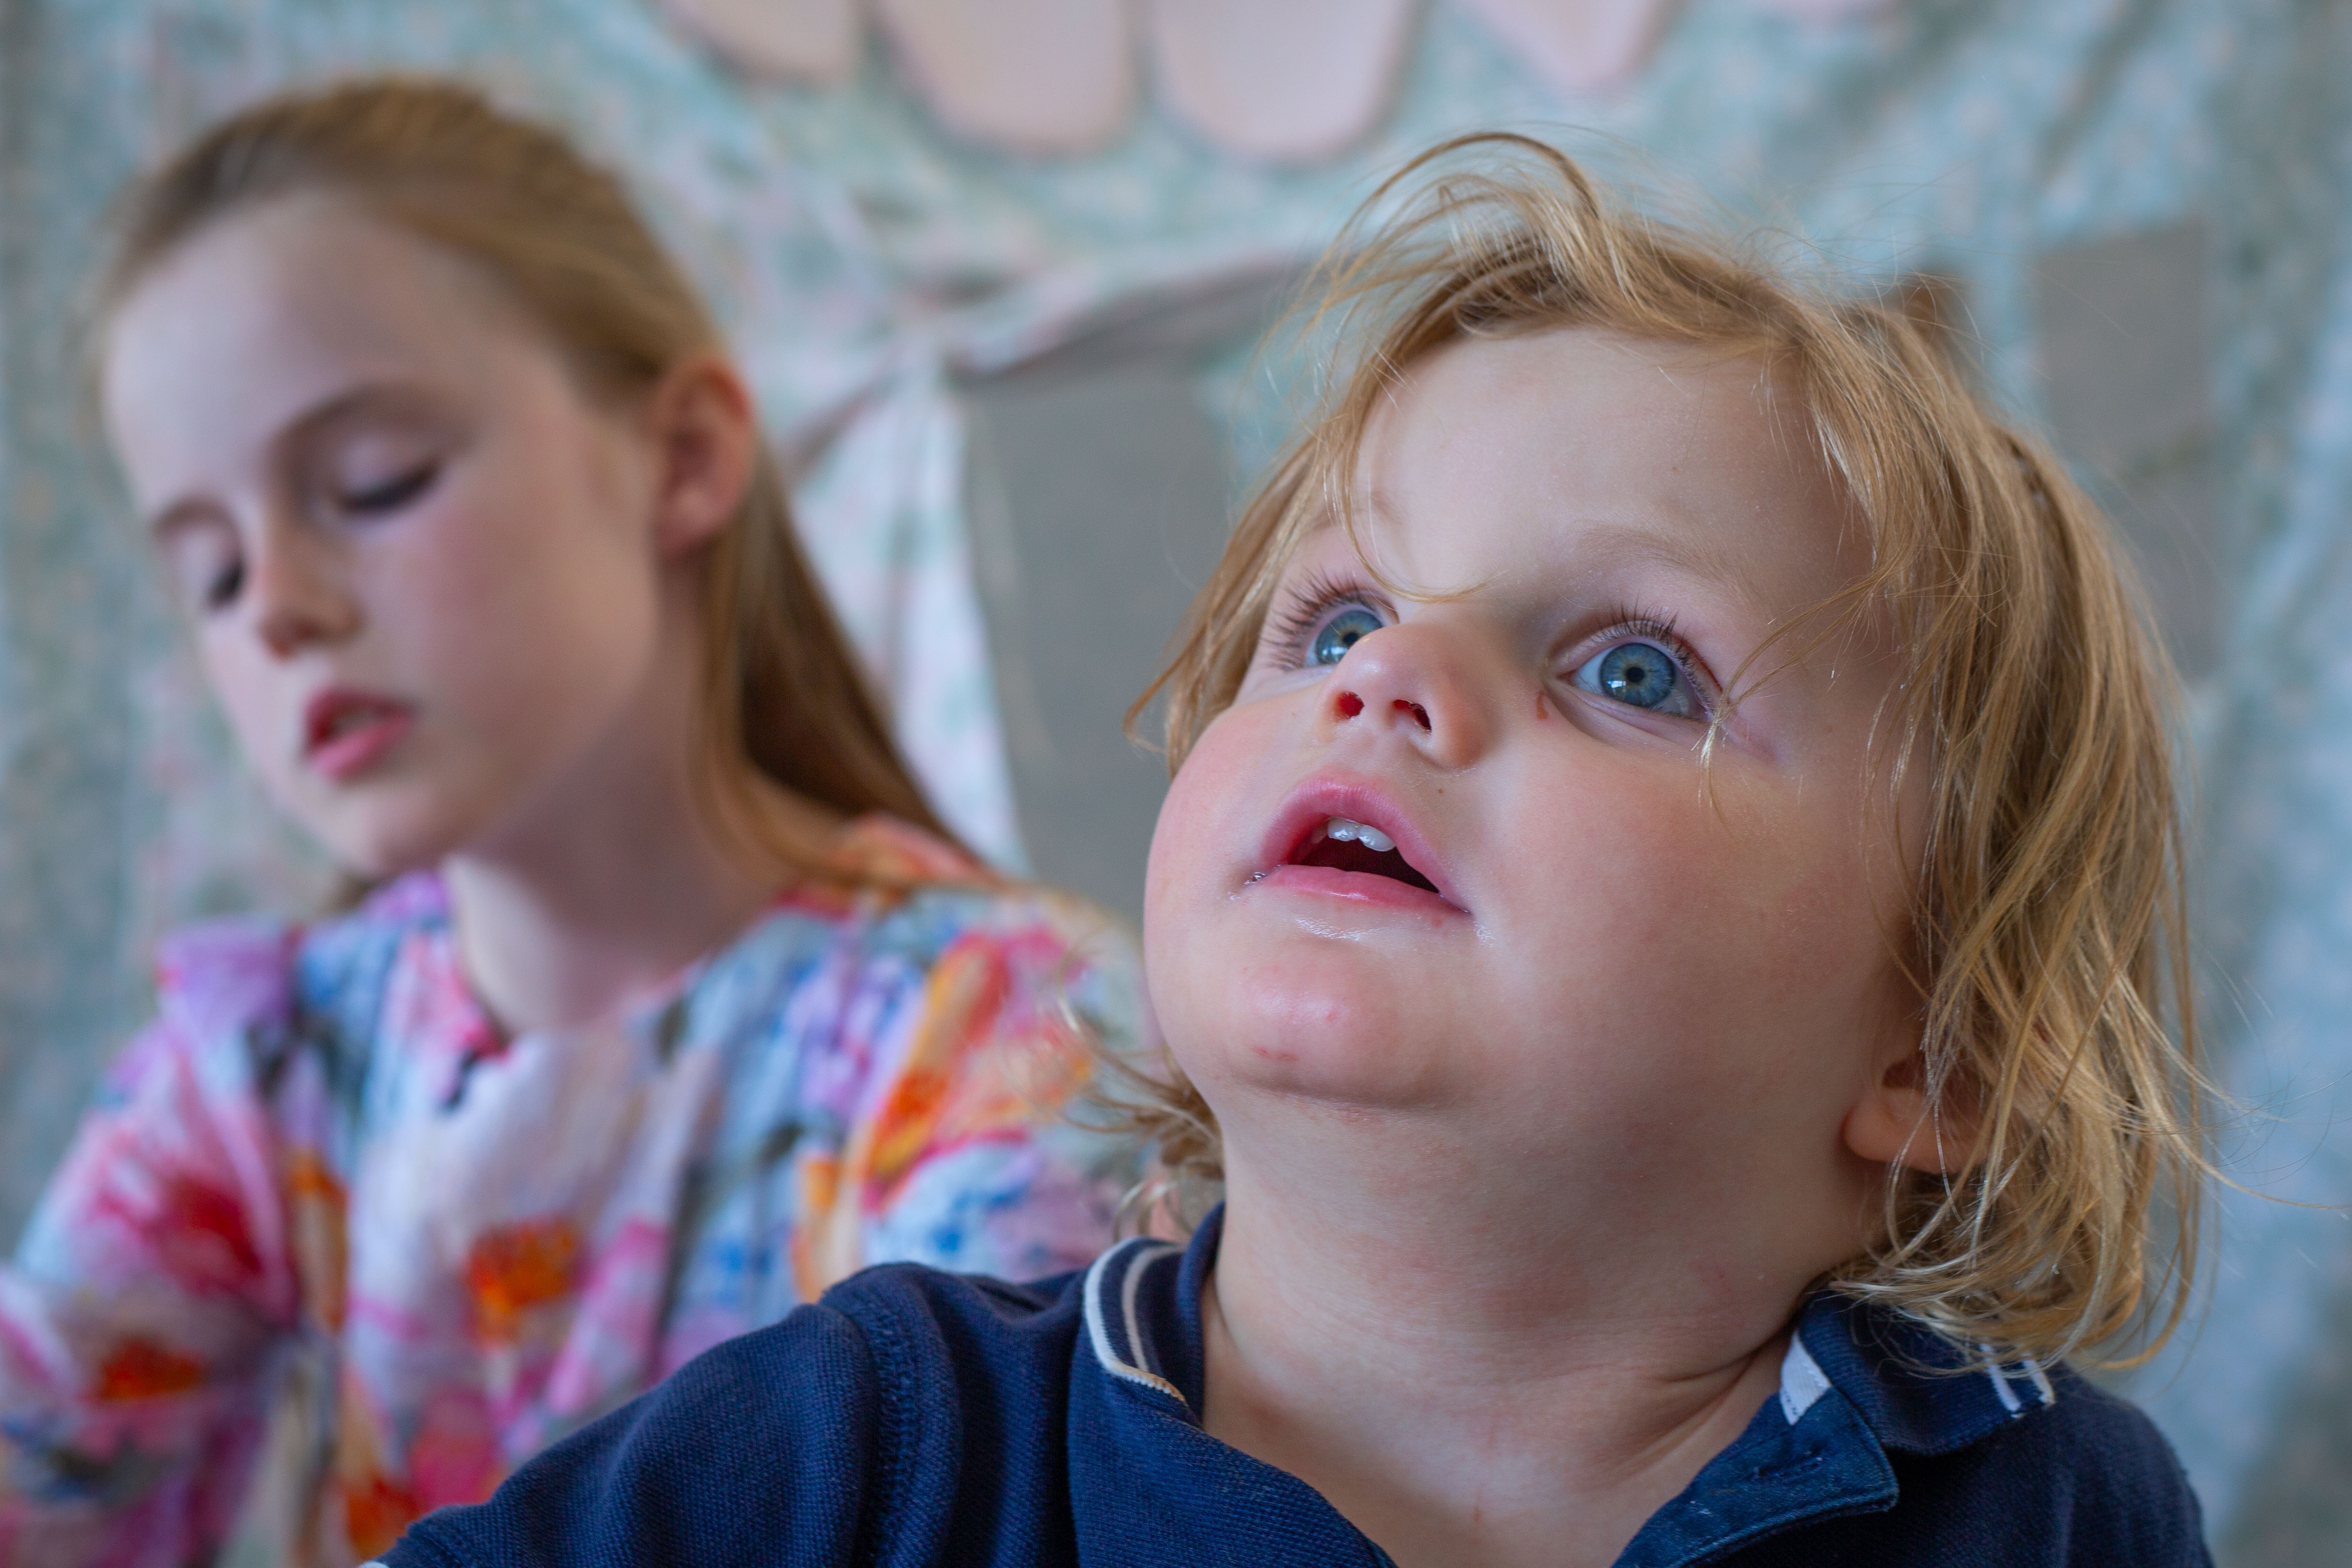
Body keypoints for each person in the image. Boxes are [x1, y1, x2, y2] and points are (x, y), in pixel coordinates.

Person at [376, 135, 2213, 1568]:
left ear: (1937, 1047)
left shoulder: (2055, 1516)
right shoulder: (866, 1453)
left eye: (1632, 668)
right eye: (1331, 621)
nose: (1393, 676)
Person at [0, 78, 1141, 1567]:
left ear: (681, 459)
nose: (275, 605)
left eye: (372, 483)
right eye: (211, 570)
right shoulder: (263, 1073)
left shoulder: (1007, 1037)